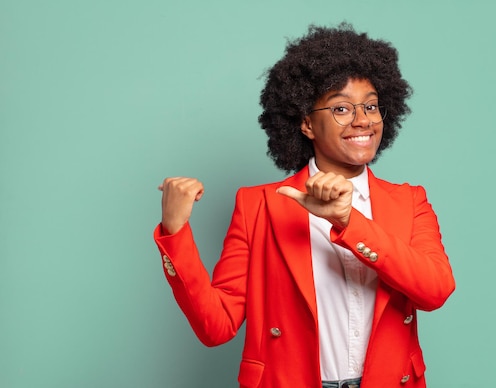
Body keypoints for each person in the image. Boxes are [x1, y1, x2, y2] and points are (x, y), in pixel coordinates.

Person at [154, 23, 455, 388]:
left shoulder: (409, 201)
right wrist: (175, 232)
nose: (363, 120)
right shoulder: (257, 206)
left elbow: (435, 290)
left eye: (372, 105)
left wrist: (349, 221)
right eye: (341, 108)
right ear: (307, 124)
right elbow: (216, 327)